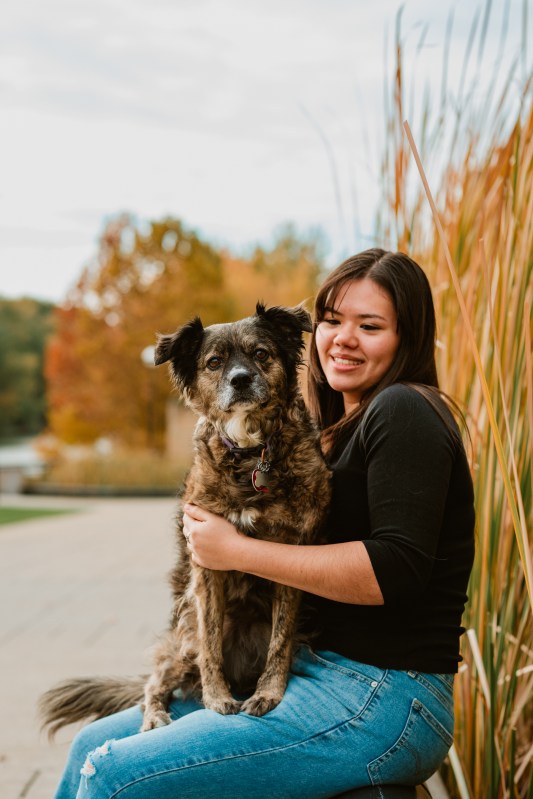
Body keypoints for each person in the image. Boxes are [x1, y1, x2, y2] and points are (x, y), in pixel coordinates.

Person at [54, 249, 475, 799]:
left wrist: (235, 550)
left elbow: (394, 571)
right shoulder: (338, 424)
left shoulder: (405, 410)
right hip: (319, 670)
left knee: (113, 773)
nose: (343, 339)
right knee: (90, 744)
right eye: (332, 321)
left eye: (370, 326)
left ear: (408, 338)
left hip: (383, 692)